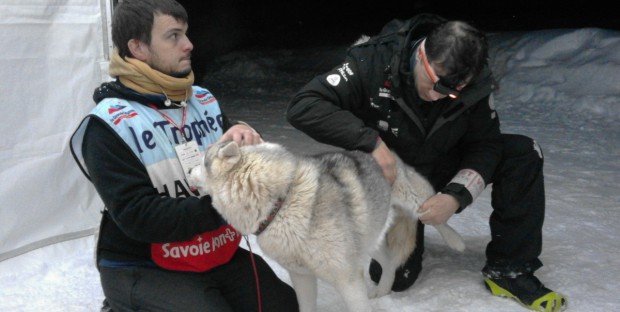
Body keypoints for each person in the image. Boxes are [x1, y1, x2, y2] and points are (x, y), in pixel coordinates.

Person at [287, 13, 566, 312]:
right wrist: (371, 143)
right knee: (396, 278)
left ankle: (510, 269)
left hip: (445, 164)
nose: (440, 96)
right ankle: (406, 236)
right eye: (436, 84)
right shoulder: (372, 61)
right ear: (420, 55)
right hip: (393, 178)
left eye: (453, 91)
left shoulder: (474, 84)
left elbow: (486, 145)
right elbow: (304, 106)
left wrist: (457, 195)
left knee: (523, 152)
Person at [69, 0, 298, 311]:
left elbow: (240, 168)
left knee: (283, 305)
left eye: (186, 34)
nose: (189, 45)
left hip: (214, 252)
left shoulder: (203, 100)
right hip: (144, 264)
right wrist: (229, 204)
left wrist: (247, 140)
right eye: (173, 36)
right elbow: (139, 216)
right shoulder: (108, 125)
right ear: (138, 48)